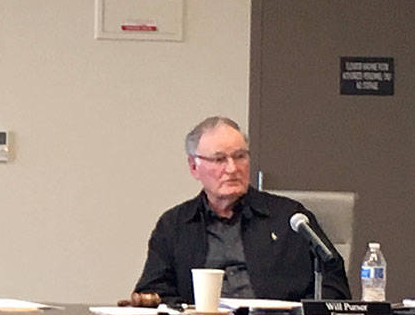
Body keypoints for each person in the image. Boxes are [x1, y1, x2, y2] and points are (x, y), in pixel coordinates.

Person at [132, 115, 350, 305]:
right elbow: (154, 292)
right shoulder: (175, 225)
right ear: (194, 167)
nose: (232, 168)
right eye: (219, 159)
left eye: (240, 157)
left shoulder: (290, 219)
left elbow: (333, 282)